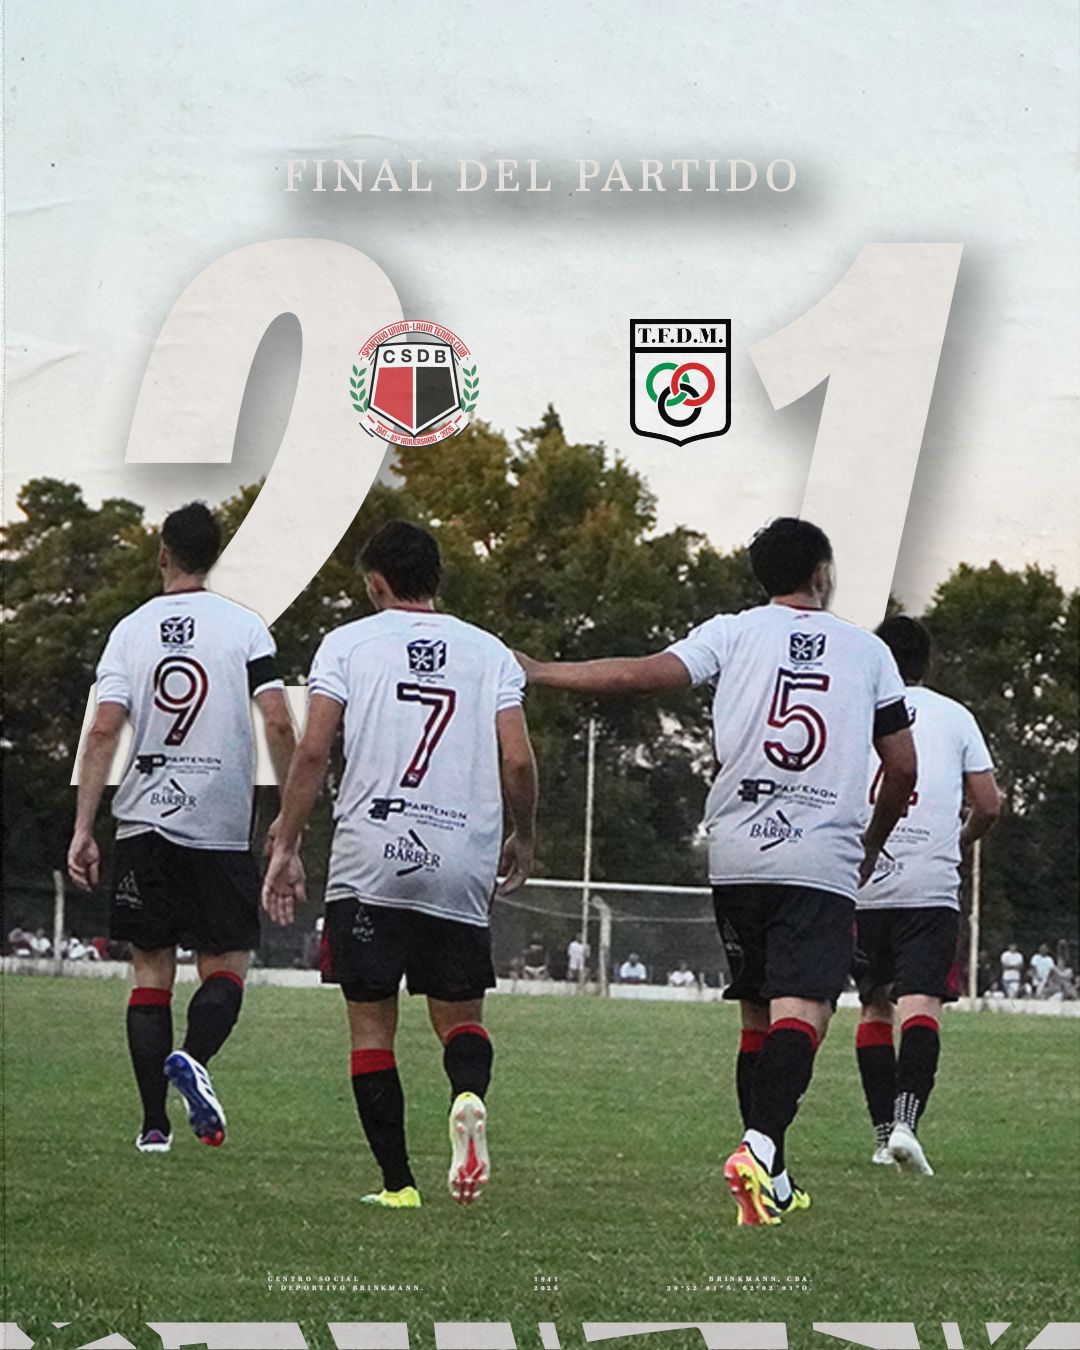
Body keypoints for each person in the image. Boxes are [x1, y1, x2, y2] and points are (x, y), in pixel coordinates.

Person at [519, 517, 916, 1226]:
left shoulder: (731, 633)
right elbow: (903, 767)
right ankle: (759, 1146)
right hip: (819, 855)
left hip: (737, 854)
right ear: (822, 574)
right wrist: (870, 841)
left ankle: (775, 1179)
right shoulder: (868, 651)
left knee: (757, 1014)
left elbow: (641, 675)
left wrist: (542, 670)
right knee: (806, 1011)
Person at [262, 521, 538, 1210]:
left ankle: (398, 1186)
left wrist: (287, 843)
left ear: (376, 584)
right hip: (460, 858)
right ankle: (467, 1095)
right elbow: (517, 759)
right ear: (436, 579)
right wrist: (524, 834)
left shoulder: (347, 644)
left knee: (370, 1029)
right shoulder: (489, 652)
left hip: (371, 860)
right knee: (460, 1019)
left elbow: (313, 751)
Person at [67, 501, 296, 1154]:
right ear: (213, 557)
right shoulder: (245, 628)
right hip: (219, 827)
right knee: (226, 966)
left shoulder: (130, 631)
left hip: (144, 823)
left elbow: (103, 730)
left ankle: (153, 1127)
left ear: (163, 554)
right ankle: (193, 1058)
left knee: (150, 973)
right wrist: (289, 817)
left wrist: (84, 827)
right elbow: (278, 721)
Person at [853, 617, 1000, 1176]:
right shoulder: (955, 716)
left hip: (866, 883)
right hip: (929, 886)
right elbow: (988, 804)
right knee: (921, 1004)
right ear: (927, 663)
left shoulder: (858, 714)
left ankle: (881, 1136)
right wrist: (958, 840)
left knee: (874, 1005)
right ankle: (906, 1125)